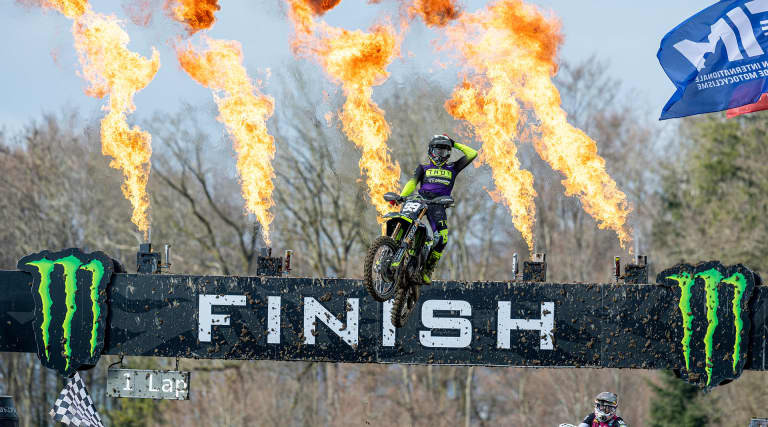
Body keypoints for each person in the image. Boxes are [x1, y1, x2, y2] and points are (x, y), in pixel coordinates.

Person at [395, 134, 477, 284]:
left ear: (449, 153)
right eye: (437, 151)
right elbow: (412, 183)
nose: (440, 155)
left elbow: (473, 153)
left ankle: (427, 269)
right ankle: (392, 252)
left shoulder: (453, 167)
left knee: (442, 238)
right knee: (402, 221)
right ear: (430, 151)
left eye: (444, 151)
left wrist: (454, 143)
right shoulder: (423, 167)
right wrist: (402, 196)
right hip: (420, 200)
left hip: (438, 204)